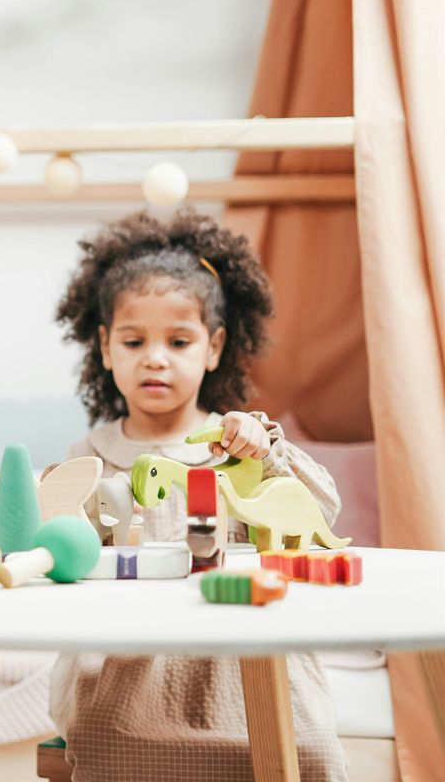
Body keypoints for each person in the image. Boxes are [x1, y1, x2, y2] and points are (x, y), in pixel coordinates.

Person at [50, 208, 347, 781]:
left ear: (212, 348)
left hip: (238, 650)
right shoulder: (89, 452)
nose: (155, 357)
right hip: (131, 658)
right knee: (112, 745)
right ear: (107, 348)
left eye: (178, 340)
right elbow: (64, 546)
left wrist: (265, 451)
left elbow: (322, 512)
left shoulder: (239, 439)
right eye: (135, 341)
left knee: (307, 750)